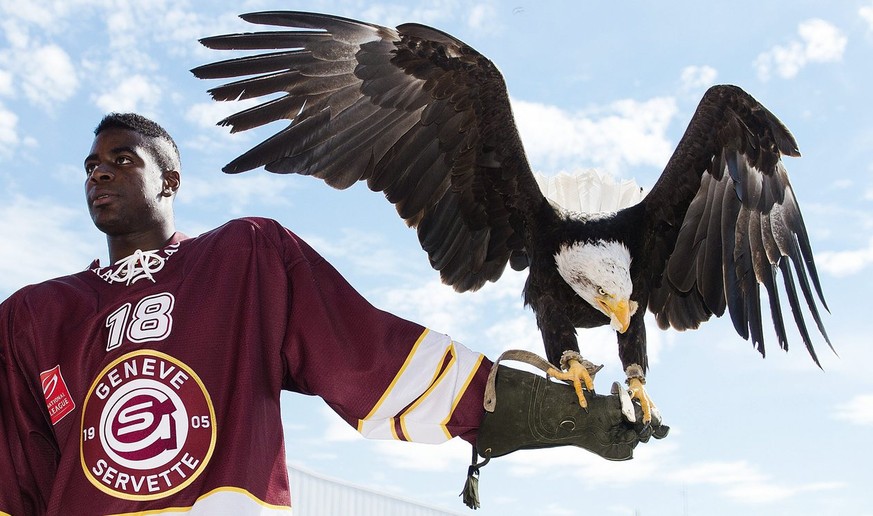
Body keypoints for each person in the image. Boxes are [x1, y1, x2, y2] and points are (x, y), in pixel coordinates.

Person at [0, 113, 664, 515]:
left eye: (123, 159)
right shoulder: (33, 317)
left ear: (170, 180)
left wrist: (526, 408)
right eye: (91, 165)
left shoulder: (245, 258)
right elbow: (17, 476)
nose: (101, 173)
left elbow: (365, 355)